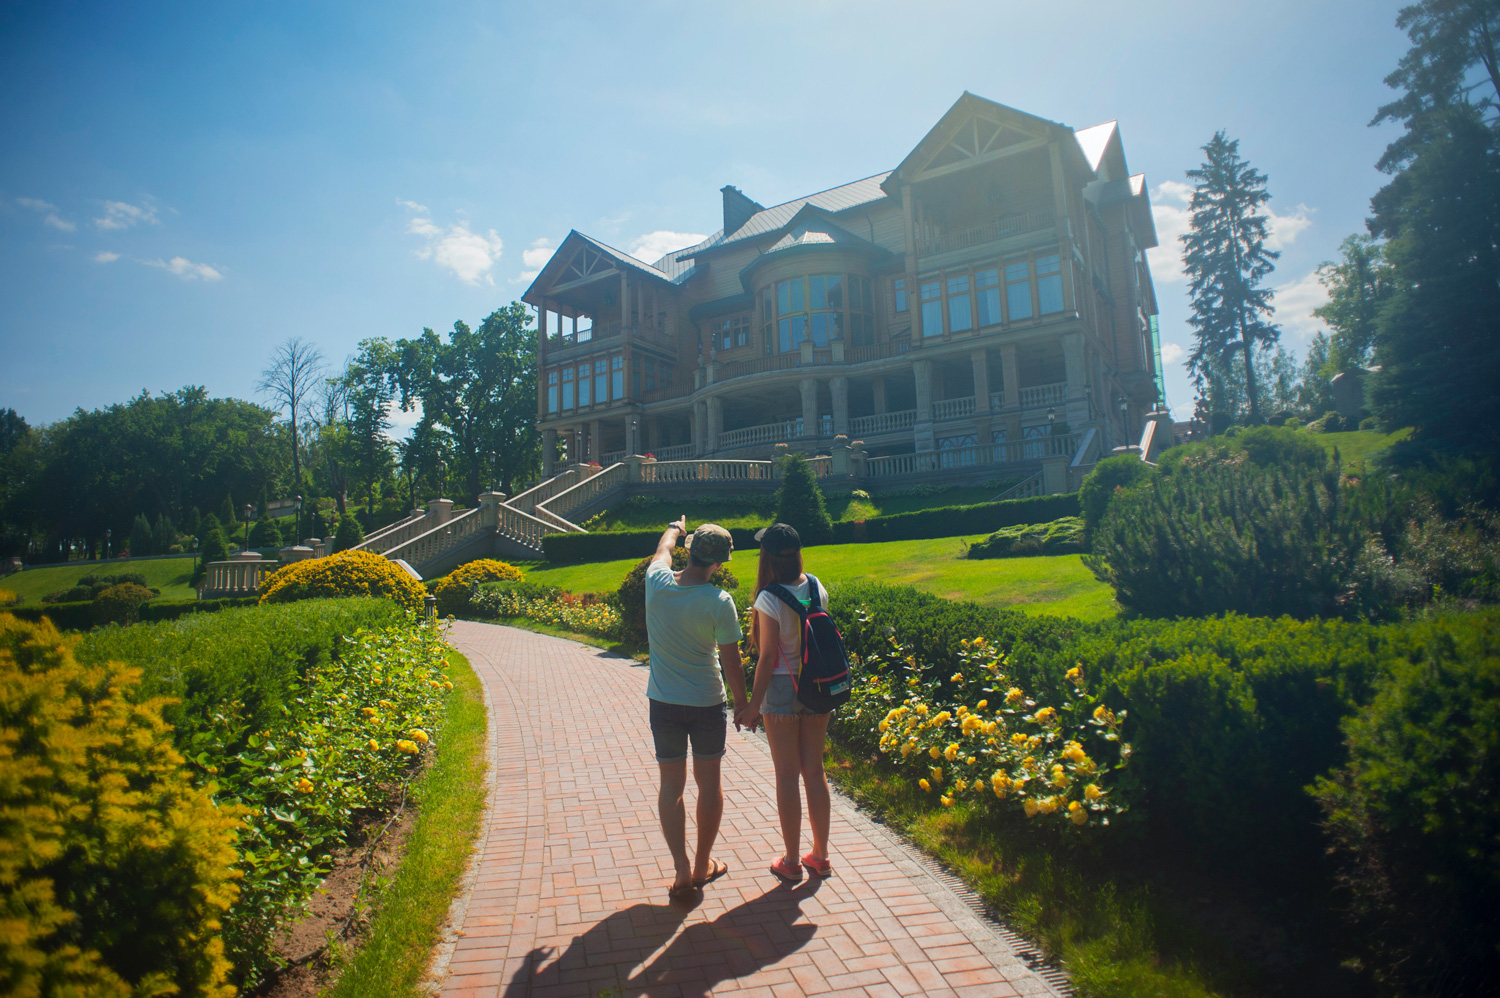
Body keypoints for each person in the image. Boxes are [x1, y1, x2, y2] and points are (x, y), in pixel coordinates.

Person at [644, 518, 748, 898]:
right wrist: (743, 704)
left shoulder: (656, 582)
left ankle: (682, 869)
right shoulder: (719, 602)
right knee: (709, 784)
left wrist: (673, 528)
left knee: (671, 785)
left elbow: (662, 550)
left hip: (664, 703)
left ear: (689, 551)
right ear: (719, 563)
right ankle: (704, 862)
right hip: (707, 703)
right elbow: (732, 662)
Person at [736, 523, 834, 883]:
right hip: (817, 687)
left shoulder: (768, 598)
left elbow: (768, 657)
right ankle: (820, 856)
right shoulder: (815, 585)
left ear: (768, 557)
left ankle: (791, 860)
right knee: (815, 770)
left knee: (786, 775)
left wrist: (751, 706)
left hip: (780, 691)